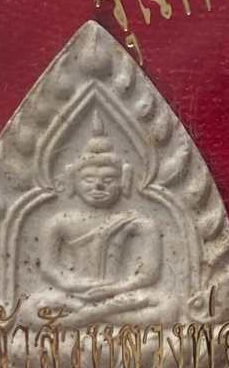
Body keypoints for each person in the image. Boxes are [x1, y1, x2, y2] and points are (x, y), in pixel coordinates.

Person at [23, 113, 177, 328]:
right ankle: (103, 316)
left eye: (108, 179)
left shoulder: (140, 222)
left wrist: (115, 289)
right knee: (28, 307)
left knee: (169, 304)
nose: (98, 186)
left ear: (123, 181)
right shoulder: (58, 222)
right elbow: (50, 269)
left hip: (120, 294)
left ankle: (85, 318)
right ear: (73, 181)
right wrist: (76, 285)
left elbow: (148, 274)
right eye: (88, 179)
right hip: (75, 295)